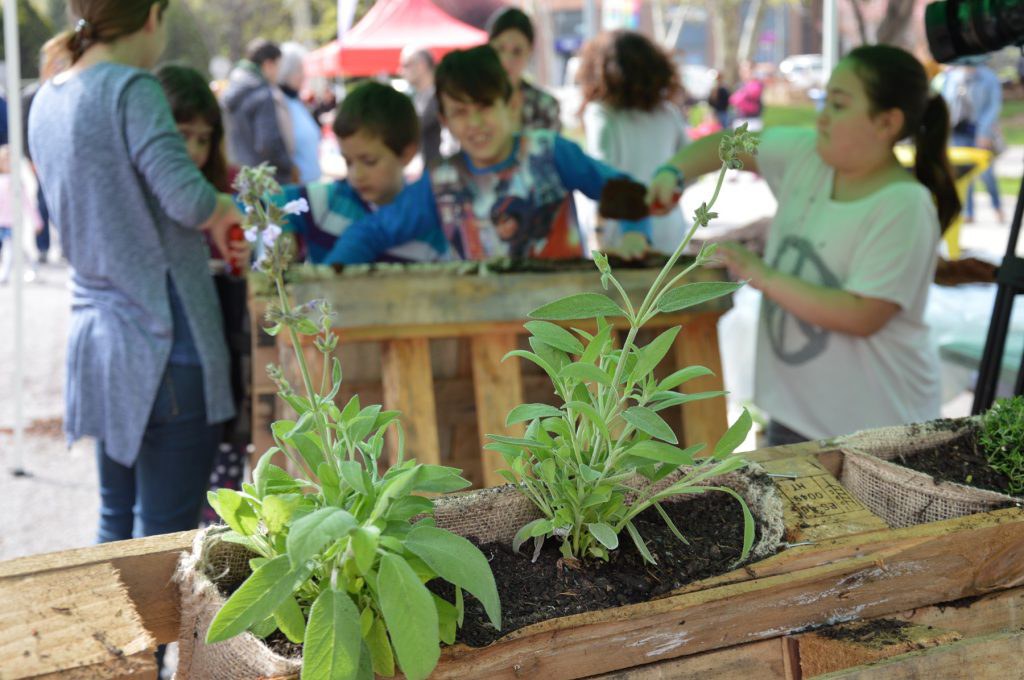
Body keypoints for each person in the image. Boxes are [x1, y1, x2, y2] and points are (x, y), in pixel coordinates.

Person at [649, 44, 960, 444]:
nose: (822, 116)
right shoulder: (807, 156)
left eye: (839, 104)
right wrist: (672, 173)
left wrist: (761, 273)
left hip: (878, 434)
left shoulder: (904, 205)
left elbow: (863, 315)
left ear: (886, 122)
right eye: (824, 100)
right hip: (793, 419)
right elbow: (728, 144)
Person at [27, 0, 244, 543]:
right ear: (152, 16)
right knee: (165, 543)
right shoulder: (131, 88)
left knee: (115, 526)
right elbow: (187, 201)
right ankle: (146, 637)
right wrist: (225, 209)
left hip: (100, 341)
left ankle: (114, 634)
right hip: (167, 344)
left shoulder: (48, 96)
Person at [323, 45, 650, 265]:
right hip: (482, 333)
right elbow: (369, 232)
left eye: (484, 107)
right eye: (461, 112)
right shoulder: (439, 183)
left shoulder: (550, 152)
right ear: (445, 120)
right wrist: (326, 284)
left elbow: (627, 194)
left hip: (565, 327)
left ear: (511, 105)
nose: (475, 123)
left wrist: (635, 236)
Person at [155, 63, 248, 521]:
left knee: (219, 509)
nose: (193, 150)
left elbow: (265, 247)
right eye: (181, 135)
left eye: (203, 137)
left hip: (225, 365)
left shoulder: (228, 189)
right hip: (171, 369)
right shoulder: (151, 200)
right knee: (162, 508)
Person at [273, 81, 440, 264]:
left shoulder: (428, 225)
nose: (356, 174)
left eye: (369, 161)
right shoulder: (327, 201)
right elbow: (259, 204)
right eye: (348, 161)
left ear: (407, 154)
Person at [577, 30, 689, 254]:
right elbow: (687, 167)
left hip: (622, 234)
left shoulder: (600, 113)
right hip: (668, 226)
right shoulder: (668, 113)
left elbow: (602, 175)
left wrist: (597, 232)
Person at [22, 36, 71, 265]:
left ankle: (66, 246)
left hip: (66, 161)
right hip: (39, 161)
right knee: (41, 204)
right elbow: (22, 129)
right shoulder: (31, 95)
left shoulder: (71, 93)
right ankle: (43, 247)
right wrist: (31, 160)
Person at [221, 38, 294, 184]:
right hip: (266, 179)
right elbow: (267, 143)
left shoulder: (231, 89)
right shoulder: (261, 92)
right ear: (268, 64)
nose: (278, 73)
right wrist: (288, 166)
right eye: (278, 66)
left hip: (240, 177)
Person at [942, 60, 1004, 223]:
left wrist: (984, 133)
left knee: (987, 173)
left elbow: (993, 107)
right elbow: (945, 103)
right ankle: (968, 213)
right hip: (957, 132)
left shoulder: (988, 78)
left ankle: (997, 207)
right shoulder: (951, 77)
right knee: (963, 174)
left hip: (980, 131)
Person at [487, 7, 561, 133]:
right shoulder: (471, 100)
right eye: (500, 49)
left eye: (517, 51)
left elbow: (551, 150)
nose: (506, 60)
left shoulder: (545, 105)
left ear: (530, 52)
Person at [277, 42, 322, 184]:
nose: (303, 76)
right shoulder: (278, 102)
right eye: (299, 70)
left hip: (312, 182)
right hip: (297, 188)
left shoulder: (295, 101)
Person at [0, 145, 43, 284]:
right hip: (1, 222)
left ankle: (7, 274)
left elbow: (27, 203)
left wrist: (37, 221)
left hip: (13, 223)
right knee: (11, 250)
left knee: (13, 249)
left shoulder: (17, 181)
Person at [400, 45, 443, 167]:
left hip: (443, 172)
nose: (401, 71)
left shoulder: (441, 96)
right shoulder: (419, 97)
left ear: (422, 65)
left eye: (406, 65)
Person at [730, 60, 764, 132]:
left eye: (745, 70)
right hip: (738, 119)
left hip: (752, 121)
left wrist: (741, 95)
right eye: (741, 70)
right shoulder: (739, 85)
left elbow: (752, 94)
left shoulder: (756, 84)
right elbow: (732, 100)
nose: (743, 72)